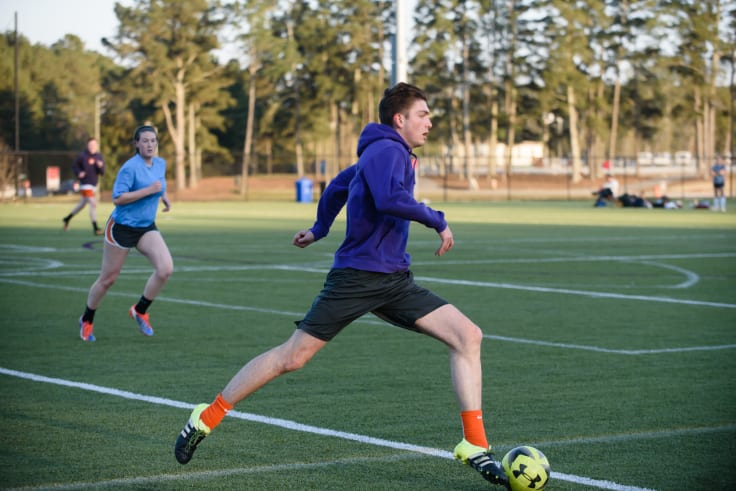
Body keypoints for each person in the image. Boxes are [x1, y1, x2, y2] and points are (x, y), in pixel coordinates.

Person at [173, 83, 507, 486]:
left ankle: (474, 444)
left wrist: (319, 228)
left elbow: (338, 186)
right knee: (292, 358)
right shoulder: (387, 150)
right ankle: (204, 417)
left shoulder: (385, 151)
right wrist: (435, 218)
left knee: (467, 335)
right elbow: (386, 198)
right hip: (357, 278)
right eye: (424, 115)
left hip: (394, 280)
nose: (430, 123)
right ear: (400, 119)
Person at [78, 125, 173, 342]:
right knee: (108, 279)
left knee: (165, 269)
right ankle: (87, 318)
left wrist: (164, 196)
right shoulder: (130, 168)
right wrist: (148, 191)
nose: (150, 144)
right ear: (137, 144)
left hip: (146, 226)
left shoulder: (160, 163)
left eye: (153, 141)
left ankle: (140, 310)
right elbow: (118, 198)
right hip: (121, 227)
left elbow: (160, 183)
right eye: (145, 141)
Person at [63, 137, 105, 235]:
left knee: (81, 205)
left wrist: (100, 166)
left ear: (97, 146)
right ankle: (96, 228)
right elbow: (74, 167)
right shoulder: (83, 156)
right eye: (90, 145)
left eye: (94, 145)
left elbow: (102, 172)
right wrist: (79, 173)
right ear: (87, 145)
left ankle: (67, 219)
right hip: (85, 185)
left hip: (94, 185)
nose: (92, 147)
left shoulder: (98, 156)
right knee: (93, 203)